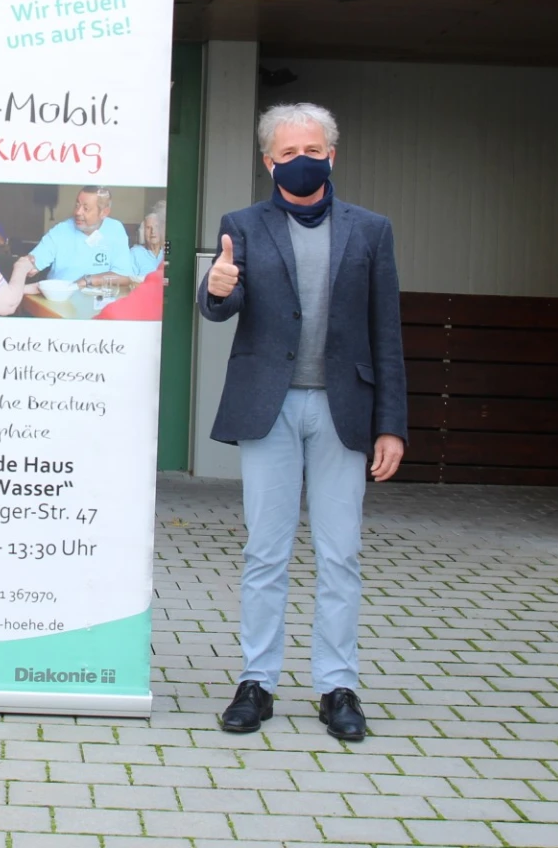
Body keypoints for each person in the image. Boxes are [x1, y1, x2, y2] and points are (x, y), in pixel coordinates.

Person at [198, 102, 406, 741]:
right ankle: (256, 683)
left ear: (331, 154)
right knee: (265, 551)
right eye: (287, 153)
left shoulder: (370, 230)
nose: (301, 161)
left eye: (312, 150)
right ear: (269, 162)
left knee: (340, 553)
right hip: (272, 407)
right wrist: (217, 286)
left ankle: (337, 686)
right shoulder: (242, 226)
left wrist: (392, 425)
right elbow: (221, 306)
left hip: (346, 410)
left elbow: (387, 333)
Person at [20, 186, 138, 291]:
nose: (78, 212)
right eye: (77, 205)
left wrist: (87, 280)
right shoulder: (61, 231)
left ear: (104, 213)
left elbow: (124, 276)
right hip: (60, 299)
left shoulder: (115, 229)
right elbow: (31, 265)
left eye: (86, 208)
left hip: (99, 300)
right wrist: (27, 267)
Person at [130, 200, 167, 277]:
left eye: (157, 227)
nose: (153, 231)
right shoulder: (135, 253)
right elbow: (130, 280)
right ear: (143, 232)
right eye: (148, 227)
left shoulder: (167, 251)